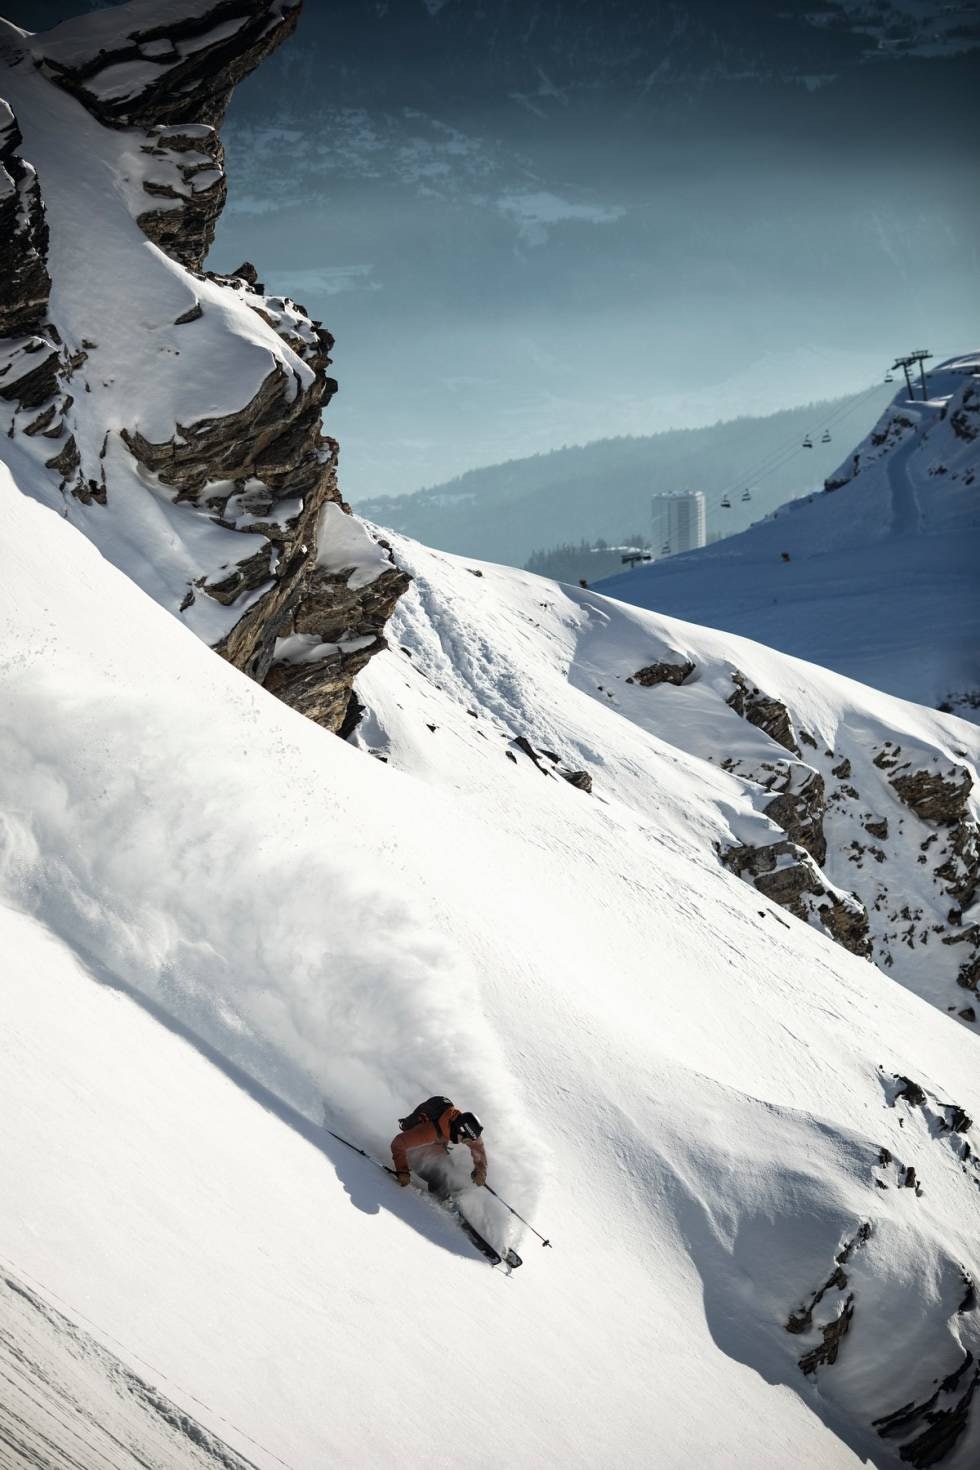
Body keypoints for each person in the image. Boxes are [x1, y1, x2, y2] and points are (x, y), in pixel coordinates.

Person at [391, 1098, 487, 1199]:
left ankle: (455, 1195)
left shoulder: (457, 1121)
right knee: (441, 1178)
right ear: (460, 1130)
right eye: (465, 1140)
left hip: (436, 1149)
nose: (465, 1143)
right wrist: (402, 1171)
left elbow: (477, 1146)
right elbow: (398, 1143)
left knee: (450, 1172)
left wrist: (481, 1169)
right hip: (415, 1155)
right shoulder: (429, 1132)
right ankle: (445, 1198)